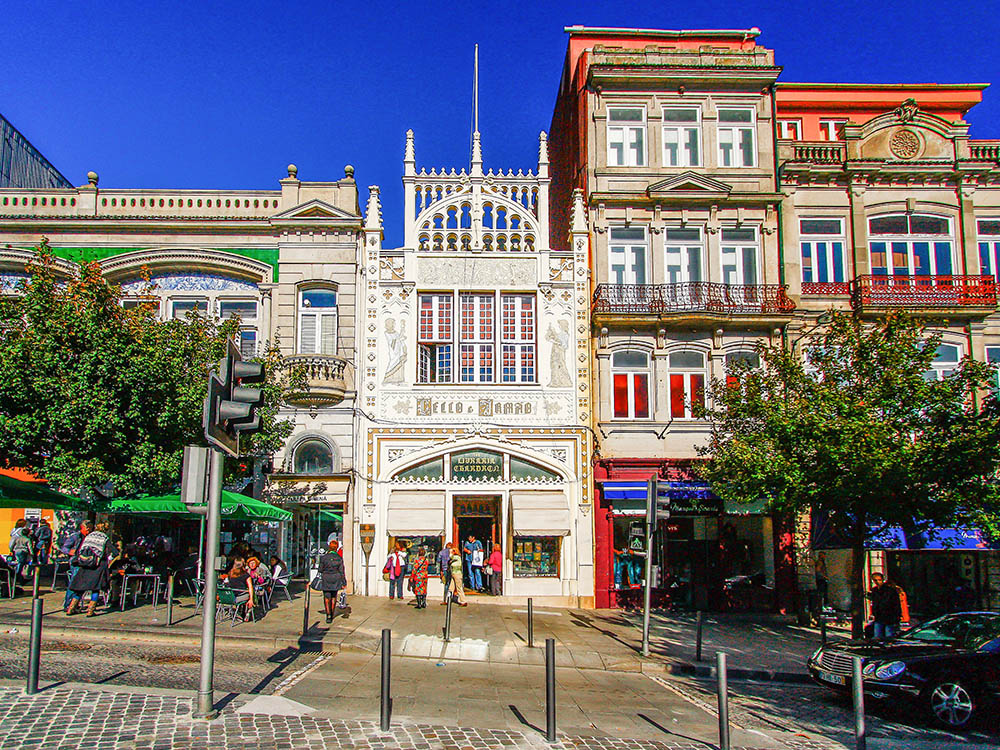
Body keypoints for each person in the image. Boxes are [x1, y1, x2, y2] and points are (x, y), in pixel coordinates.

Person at [66, 523, 110, 617]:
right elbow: (114, 551)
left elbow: (80, 549)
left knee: (79, 589)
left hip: (84, 565)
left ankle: (71, 608)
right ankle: (90, 611)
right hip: (97, 566)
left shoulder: (88, 537)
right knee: (95, 589)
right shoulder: (104, 538)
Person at [316, 539, 347, 623]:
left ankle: (328, 615)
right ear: (336, 548)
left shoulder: (324, 558)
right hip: (336, 578)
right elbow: (342, 571)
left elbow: (320, 569)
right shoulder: (339, 558)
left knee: (327, 597)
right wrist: (344, 582)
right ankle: (332, 613)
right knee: (334, 596)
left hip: (326, 577)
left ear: (329, 547)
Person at [867, 572, 903, 640]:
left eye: (879, 580)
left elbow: (896, 604)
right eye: (875, 580)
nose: (877, 582)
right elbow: (875, 603)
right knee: (878, 636)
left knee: (889, 635)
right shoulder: (874, 590)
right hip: (879, 616)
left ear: (882, 580)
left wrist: (897, 616)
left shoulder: (890, 590)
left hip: (890, 616)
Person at [9, 520, 32, 586]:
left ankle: (20, 579)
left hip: (15, 548)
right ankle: (17, 577)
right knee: (20, 564)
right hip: (22, 550)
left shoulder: (14, 530)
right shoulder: (22, 531)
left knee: (16, 563)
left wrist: (11, 550)